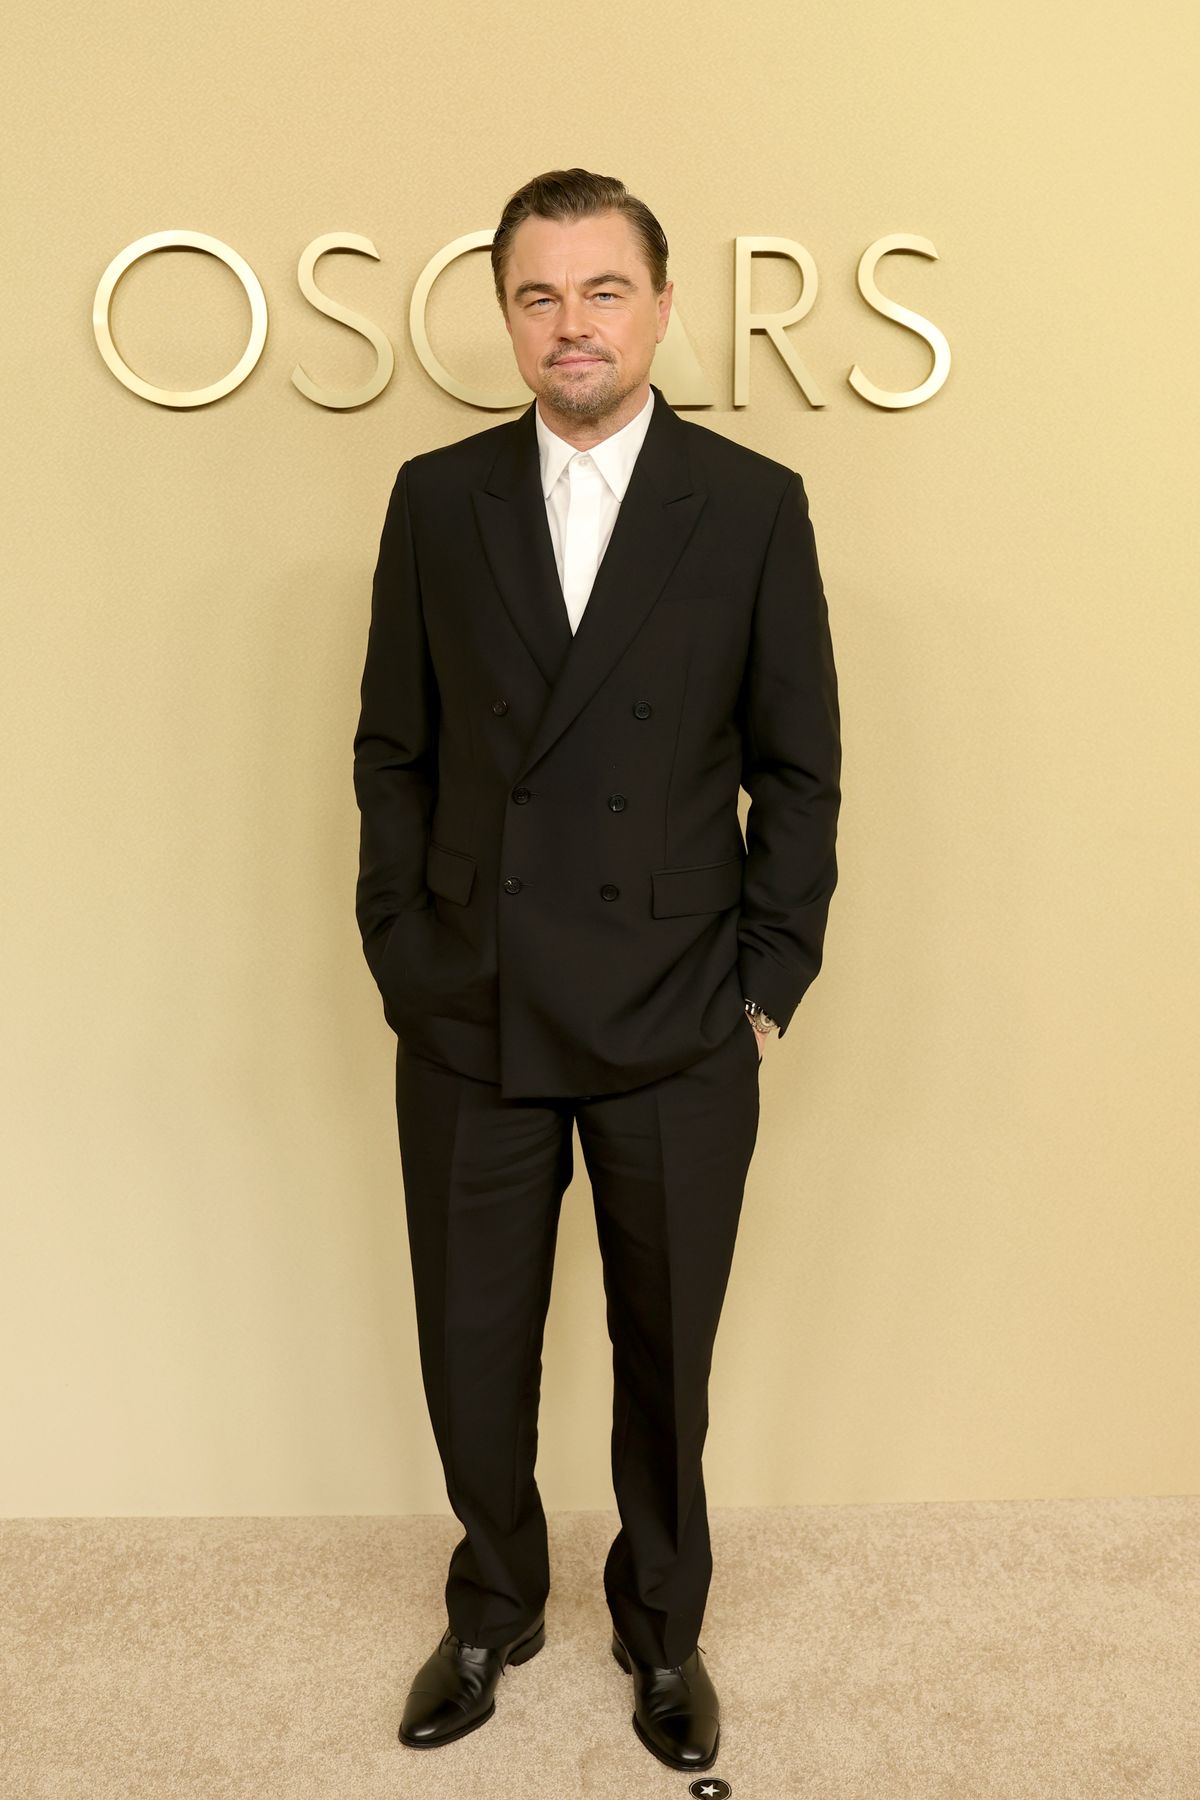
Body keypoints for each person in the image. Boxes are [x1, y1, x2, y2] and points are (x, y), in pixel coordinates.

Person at [352, 167, 841, 1773]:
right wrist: (404, 950)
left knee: (666, 1349)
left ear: (662, 305)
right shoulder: (438, 499)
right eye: (540, 295)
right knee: (471, 1342)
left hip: (679, 1007)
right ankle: (492, 1604)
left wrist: (764, 985)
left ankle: (662, 1627)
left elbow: (801, 770)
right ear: (507, 317)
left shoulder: (750, 503)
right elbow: (394, 751)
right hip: (472, 998)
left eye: (604, 290)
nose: (574, 324)